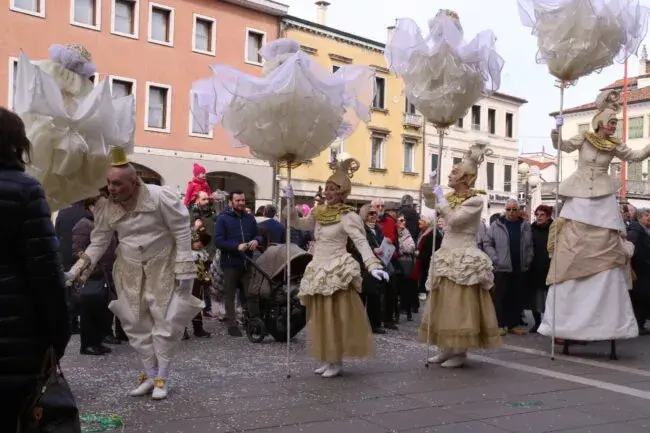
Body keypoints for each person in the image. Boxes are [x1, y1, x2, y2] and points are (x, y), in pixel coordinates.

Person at [66, 146, 203, 400]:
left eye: (117, 183)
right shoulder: (107, 208)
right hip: (128, 270)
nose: (112, 188)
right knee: (136, 324)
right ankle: (150, 374)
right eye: (109, 183)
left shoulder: (160, 197)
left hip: (163, 266)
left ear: (134, 181)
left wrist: (185, 265)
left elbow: (181, 229)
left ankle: (162, 376)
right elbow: (99, 242)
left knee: (166, 321)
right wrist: (75, 271)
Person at [540, 89, 646, 342]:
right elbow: (562, 147)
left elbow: (636, 156)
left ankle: (605, 322)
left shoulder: (615, 145)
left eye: (615, 123)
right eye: (611, 123)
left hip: (602, 198)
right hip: (578, 195)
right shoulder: (584, 138)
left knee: (607, 244)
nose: (614, 127)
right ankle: (565, 323)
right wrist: (556, 133)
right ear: (600, 122)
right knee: (572, 245)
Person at [284, 157, 389, 378]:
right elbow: (296, 223)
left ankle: (336, 359)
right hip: (318, 268)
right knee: (320, 315)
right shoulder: (319, 212)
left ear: (342, 192)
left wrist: (372, 265)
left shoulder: (348, 216)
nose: (328, 192)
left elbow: (361, 242)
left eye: (333, 189)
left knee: (335, 317)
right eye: (327, 188)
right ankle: (326, 357)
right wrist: (290, 202)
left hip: (337, 270)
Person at [0, 107, 70, 432]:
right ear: (16, 144)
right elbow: (45, 274)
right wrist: (59, 334)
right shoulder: (25, 189)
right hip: (14, 340)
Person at [419, 143, 502, 368]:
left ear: (466, 178)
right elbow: (430, 202)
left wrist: (441, 199)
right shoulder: (450, 197)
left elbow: (454, 220)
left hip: (464, 255)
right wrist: (431, 184)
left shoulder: (475, 201)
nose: (450, 174)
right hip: (446, 253)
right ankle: (445, 348)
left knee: (460, 305)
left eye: (454, 172)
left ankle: (460, 352)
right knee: (444, 303)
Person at [72, 195, 119, 355]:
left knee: (101, 309)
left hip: (105, 272)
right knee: (89, 311)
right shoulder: (83, 225)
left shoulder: (102, 224)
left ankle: (98, 340)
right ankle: (88, 344)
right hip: (92, 274)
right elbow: (78, 251)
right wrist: (94, 268)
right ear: (90, 207)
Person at [213, 191, 262, 337]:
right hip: (230, 264)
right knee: (230, 295)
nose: (241, 203)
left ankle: (250, 323)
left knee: (249, 294)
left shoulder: (249, 218)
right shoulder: (223, 219)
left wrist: (256, 241)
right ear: (230, 202)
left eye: (243, 200)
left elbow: (257, 234)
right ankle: (232, 325)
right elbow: (218, 241)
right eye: (238, 200)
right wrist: (236, 247)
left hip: (247, 262)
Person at [483, 199, 534, 335]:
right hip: (502, 267)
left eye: (514, 209)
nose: (511, 212)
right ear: (505, 210)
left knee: (515, 296)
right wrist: (495, 258)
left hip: (519, 267)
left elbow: (529, 246)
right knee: (499, 297)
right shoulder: (496, 225)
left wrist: (528, 259)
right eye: (508, 209)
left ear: (519, 211)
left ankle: (513, 324)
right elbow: (487, 243)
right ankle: (499, 324)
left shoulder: (525, 225)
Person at [529, 205, 553, 333]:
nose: (539, 217)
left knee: (550, 296)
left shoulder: (553, 229)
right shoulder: (531, 229)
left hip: (549, 267)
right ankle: (537, 322)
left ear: (548, 216)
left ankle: (548, 322)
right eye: (537, 214)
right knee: (535, 297)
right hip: (534, 267)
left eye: (542, 214)